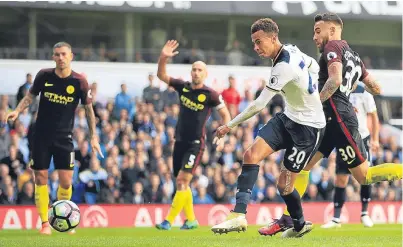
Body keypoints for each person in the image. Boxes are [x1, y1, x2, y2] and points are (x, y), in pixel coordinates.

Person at [261, 12, 402, 238]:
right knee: (303, 167)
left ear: (333, 30)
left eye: (318, 31)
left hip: (338, 119)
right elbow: (377, 88)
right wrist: (353, 86)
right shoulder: (355, 56)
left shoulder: (332, 47)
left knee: (364, 176)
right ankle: (291, 220)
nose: (315, 37)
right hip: (329, 119)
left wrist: (319, 99)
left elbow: (335, 79)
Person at [211, 18, 326, 236]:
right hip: (289, 117)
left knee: (284, 185)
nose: (255, 47)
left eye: (258, 42)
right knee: (251, 154)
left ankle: (299, 225)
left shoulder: (282, 66)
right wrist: (312, 87)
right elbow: (314, 65)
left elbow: (259, 104)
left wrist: (229, 125)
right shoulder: (291, 50)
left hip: (308, 129)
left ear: (273, 38)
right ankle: (238, 215)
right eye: (253, 42)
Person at [5, 42, 103, 235]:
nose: (60, 58)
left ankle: (62, 219)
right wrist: (17, 111)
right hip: (41, 135)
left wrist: (93, 137)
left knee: (66, 182)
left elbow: (89, 110)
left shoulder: (79, 81)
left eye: (63, 54)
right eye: (57, 54)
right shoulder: (44, 75)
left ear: (71, 56)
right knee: (40, 177)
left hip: (64, 138)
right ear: (53, 57)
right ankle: (44, 224)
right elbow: (30, 97)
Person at [155, 40, 231, 230]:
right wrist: (163, 57)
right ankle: (191, 220)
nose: (196, 72)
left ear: (205, 74)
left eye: (200, 70)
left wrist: (222, 135)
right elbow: (161, 75)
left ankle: (168, 220)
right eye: (194, 69)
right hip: (179, 141)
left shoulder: (211, 94)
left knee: (182, 180)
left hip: (196, 143)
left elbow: (225, 115)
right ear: (191, 73)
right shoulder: (183, 87)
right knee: (182, 183)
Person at [321, 84, 379, 228]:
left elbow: (374, 116)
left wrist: (375, 139)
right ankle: (336, 218)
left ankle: (364, 213)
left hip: (361, 138)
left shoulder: (364, 92)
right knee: (341, 177)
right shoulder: (338, 90)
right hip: (343, 137)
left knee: (366, 176)